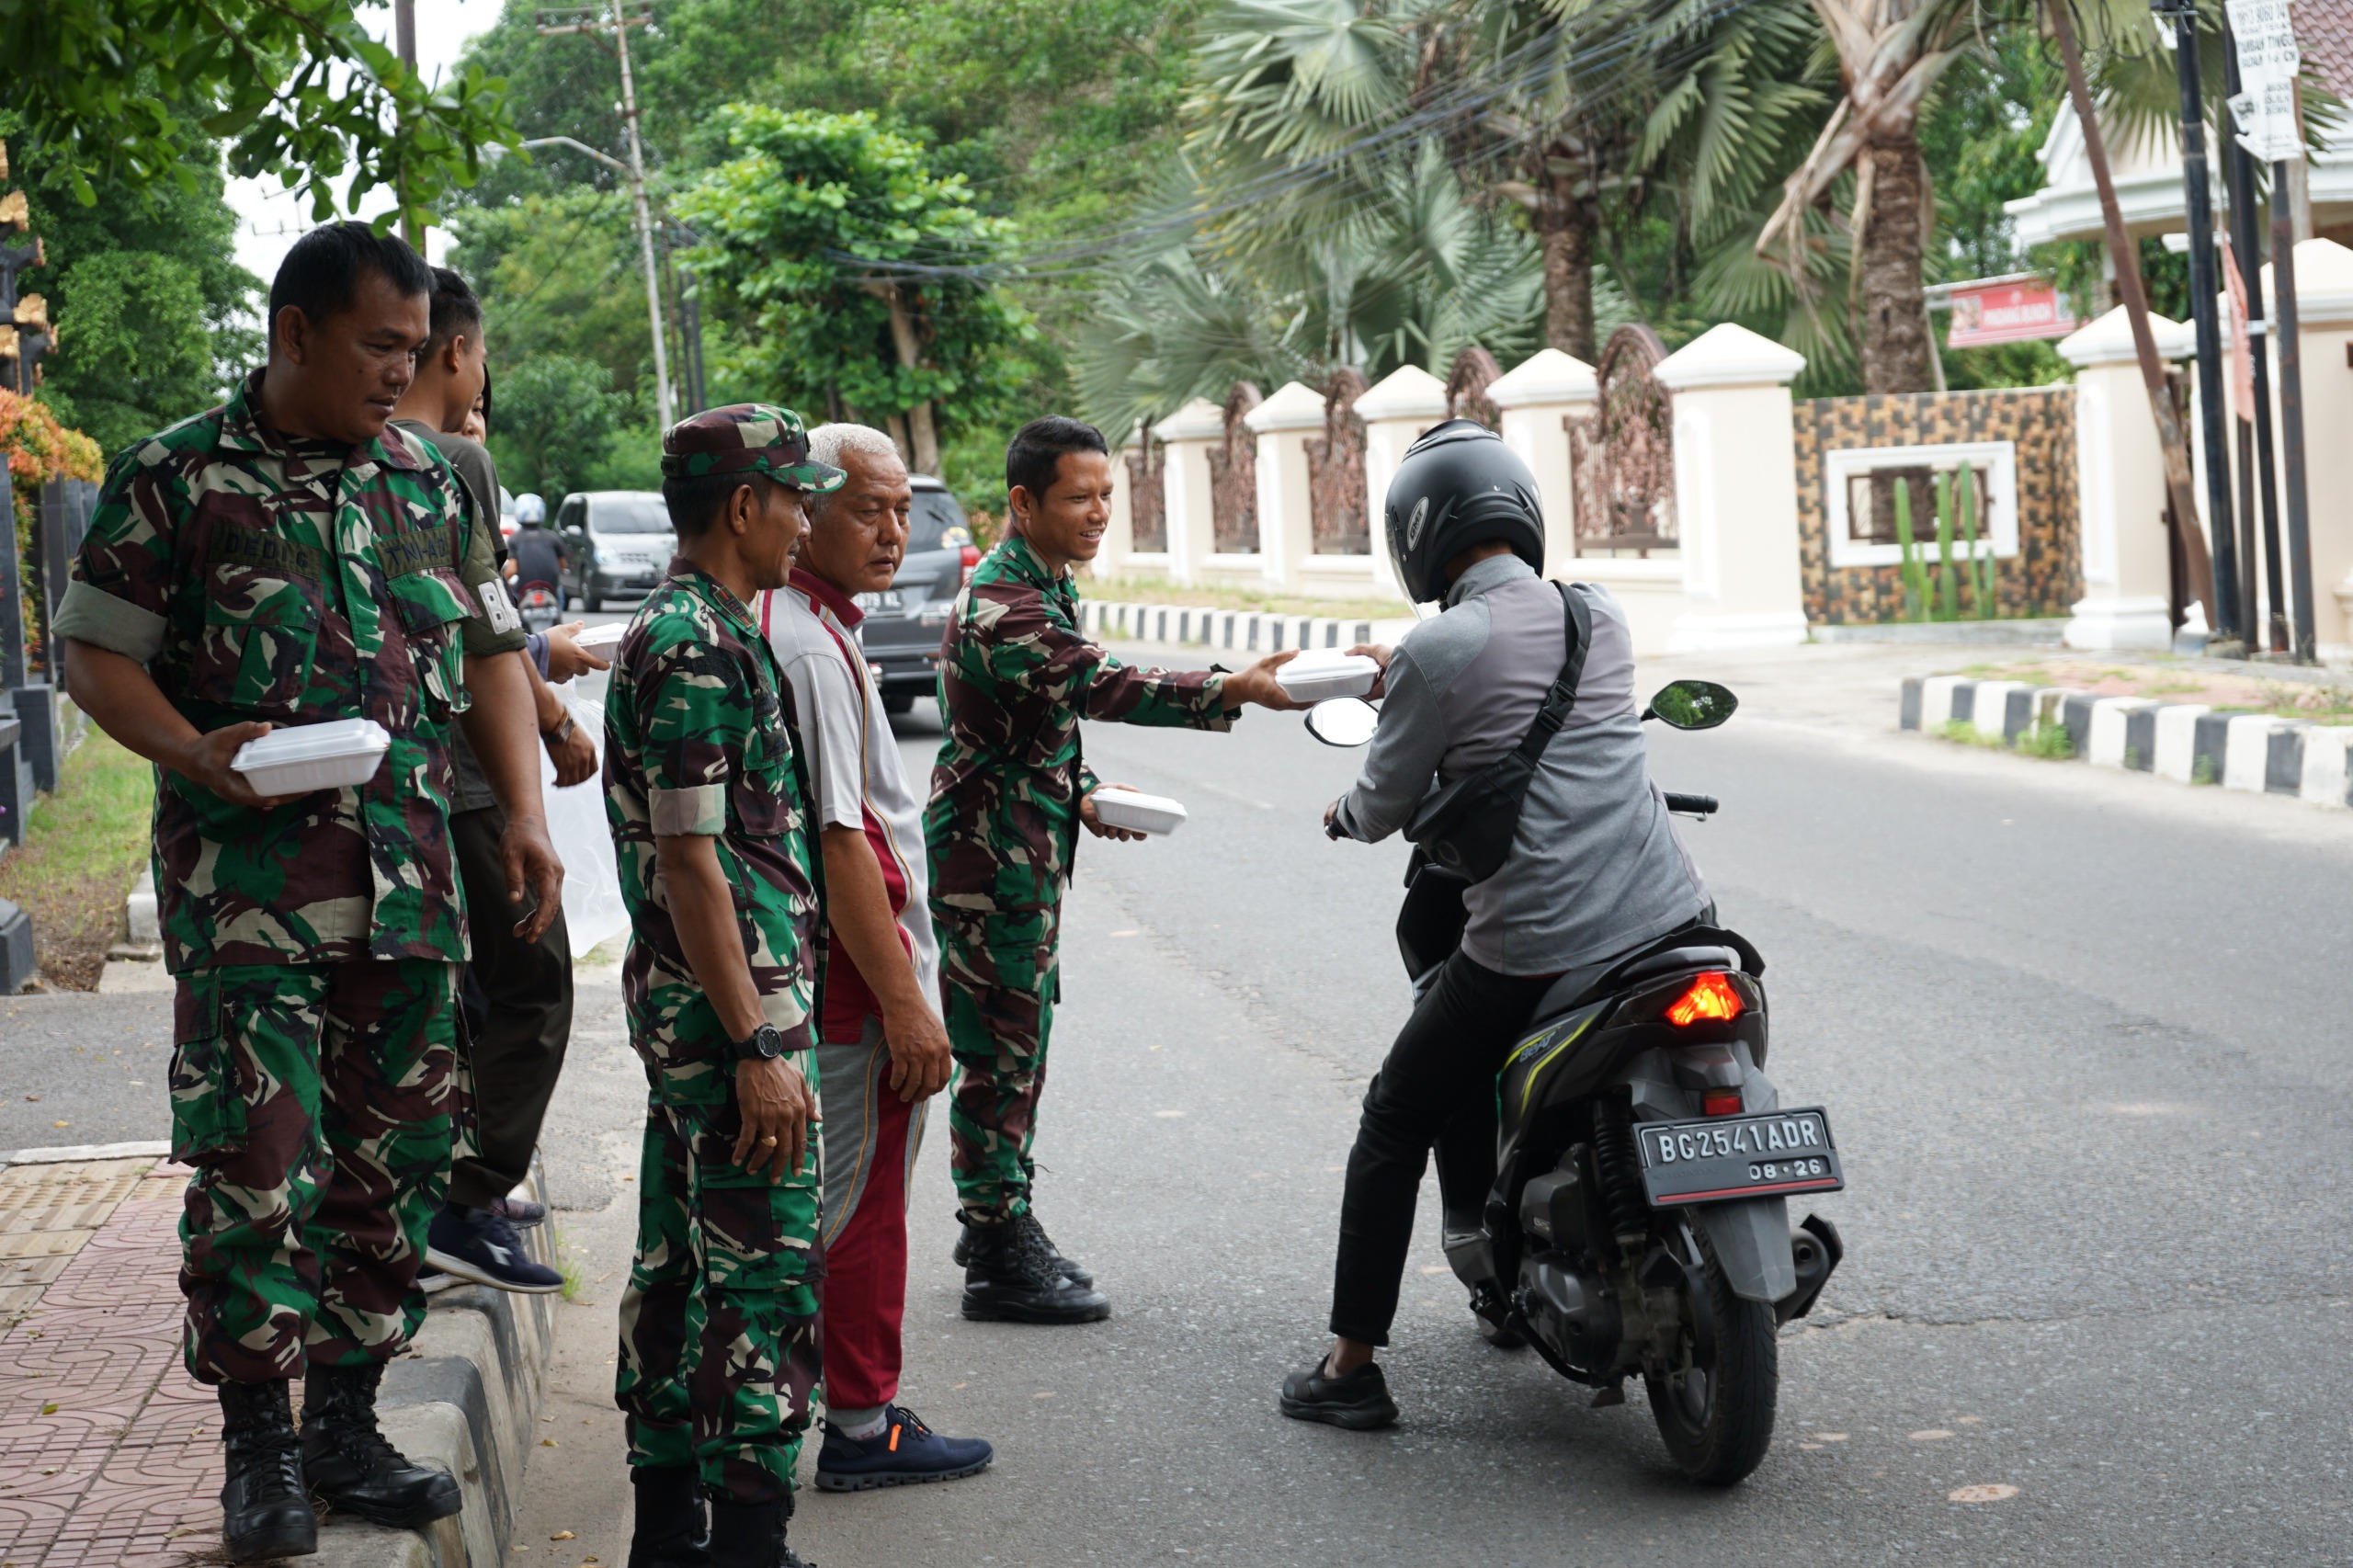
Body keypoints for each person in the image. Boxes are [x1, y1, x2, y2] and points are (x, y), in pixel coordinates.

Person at [51, 221, 564, 1562]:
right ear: (294, 332)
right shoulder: (179, 474)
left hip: (410, 889)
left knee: (394, 1158)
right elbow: (94, 653)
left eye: (415, 348)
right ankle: (258, 1446)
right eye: (380, 346)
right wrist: (187, 752)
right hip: (252, 896)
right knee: (255, 1166)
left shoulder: (431, 478)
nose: (404, 371)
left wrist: (521, 810)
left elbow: (494, 652)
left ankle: (346, 1417)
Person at [1278, 419, 1711, 1431]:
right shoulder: (1598, 614)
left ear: (1418, 538)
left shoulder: (1435, 647)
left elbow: (1382, 803)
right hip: (1672, 916)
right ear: (1522, 512)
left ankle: (1349, 1368)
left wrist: (1343, 814)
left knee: (1393, 1120)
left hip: (1534, 943)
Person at [926, 415, 1304, 1324]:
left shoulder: (1043, 580)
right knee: (1000, 1052)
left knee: (1018, 1043)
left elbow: (1033, 715)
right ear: (1024, 503)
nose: (1098, 513)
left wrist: (1083, 788)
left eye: (1106, 495)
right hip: (991, 859)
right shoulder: (1001, 601)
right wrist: (1233, 686)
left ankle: (996, 1224)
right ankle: (995, 1247)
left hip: (1019, 839)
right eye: (1078, 497)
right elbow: (1095, 681)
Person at [605, 404, 841, 1568]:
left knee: (680, 1260)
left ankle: (668, 1532)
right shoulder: (696, 640)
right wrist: (757, 1044)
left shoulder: (697, 626)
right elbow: (692, 857)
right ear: (744, 505)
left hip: (693, 1012)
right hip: (729, 1019)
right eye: (797, 497)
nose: (807, 521)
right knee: (761, 1272)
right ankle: (748, 1539)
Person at [756, 422, 994, 1491]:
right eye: (868, 508)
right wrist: (906, 1003)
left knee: (854, 1199)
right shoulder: (804, 640)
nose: (895, 530)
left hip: (854, 971)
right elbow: (840, 842)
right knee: (859, 1208)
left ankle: (847, 1405)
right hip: (854, 978)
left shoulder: (813, 622)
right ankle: (859, 1423)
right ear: (803, 510)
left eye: (904, 509)